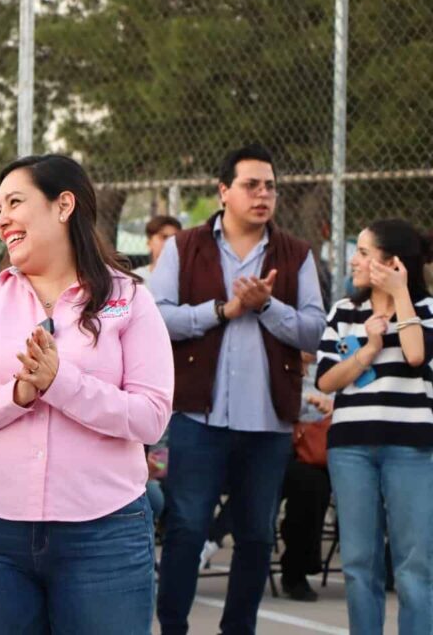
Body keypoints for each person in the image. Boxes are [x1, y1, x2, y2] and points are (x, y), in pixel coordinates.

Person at [0, 154, 173, 634]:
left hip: (105, 533)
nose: (2, 218)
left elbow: (151, 418)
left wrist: (61, 385)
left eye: (15, 202)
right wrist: (17, 394)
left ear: (64, 205)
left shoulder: (129, 299)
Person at [151, 143, 326, 635]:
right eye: (252, 185)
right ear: (223, 192)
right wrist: (222, 310)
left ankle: (238, 630)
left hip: (268, 423)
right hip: (198, 419)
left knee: (255, 537)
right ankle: (172, 628)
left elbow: (315, 330)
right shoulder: (184, 247)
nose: (263, 194)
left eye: (270, 186)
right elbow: (156, 316)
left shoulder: (297, 254)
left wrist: (267, 307)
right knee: (186, 529)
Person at [316, 219, 433, 634]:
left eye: (364, 252)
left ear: (392, 262)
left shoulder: (427, 311)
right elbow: (326, 380)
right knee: (358, 564)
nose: (354, 259)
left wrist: (401, 295)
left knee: (415, 566)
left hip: (412, 449)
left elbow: (418, 355)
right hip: (350, 449)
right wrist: (368, 350)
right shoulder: (343, 312)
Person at [278, 352, 332, 602]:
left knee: (316, 483)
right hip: (279, 442)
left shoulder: (329, 363)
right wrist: (309, 403)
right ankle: (296, 570)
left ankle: (386, 566)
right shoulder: (278, 360)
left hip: (323, 448)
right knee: (308, 483)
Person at [133, 215, 182, 286]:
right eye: (164, 237)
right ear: (149, 243)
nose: (170, 242)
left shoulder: (188, 279)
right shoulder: (135, 279)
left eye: (174, 238)